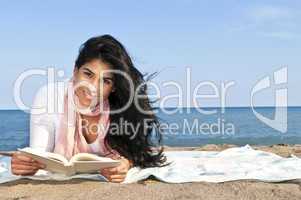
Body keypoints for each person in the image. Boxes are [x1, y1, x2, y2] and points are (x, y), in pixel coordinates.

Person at [11, 34, 166, 183]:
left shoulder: (119, 106)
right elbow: (38, 152)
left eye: (105, 81)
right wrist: (27, 164)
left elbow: (136, 151)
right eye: (88, 74)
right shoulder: (50, 96)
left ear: (113, 87)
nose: (92, 87)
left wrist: (126, 164)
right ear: (75, 70)